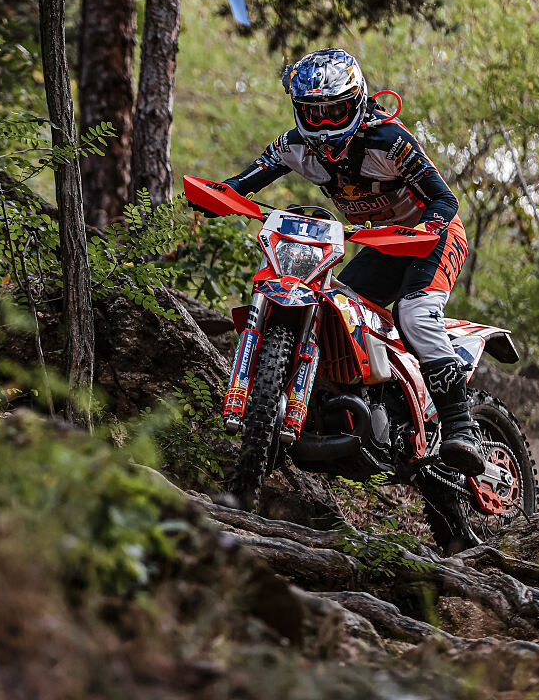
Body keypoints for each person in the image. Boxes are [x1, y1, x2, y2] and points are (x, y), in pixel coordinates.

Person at [191, 47, 482, 476]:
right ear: (298, 111)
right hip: (382, 245)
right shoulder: (293, 146)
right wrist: (218, 197)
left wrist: (429, 227)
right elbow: (242, 183)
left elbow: (445, 198)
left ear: (359, 99)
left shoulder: (389, 140)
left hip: (431, 237)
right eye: (314, 113)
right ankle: (353, 407)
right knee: (336, 310)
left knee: (415, 313)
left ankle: (462, 426)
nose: (325, 124)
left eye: (337, 110)